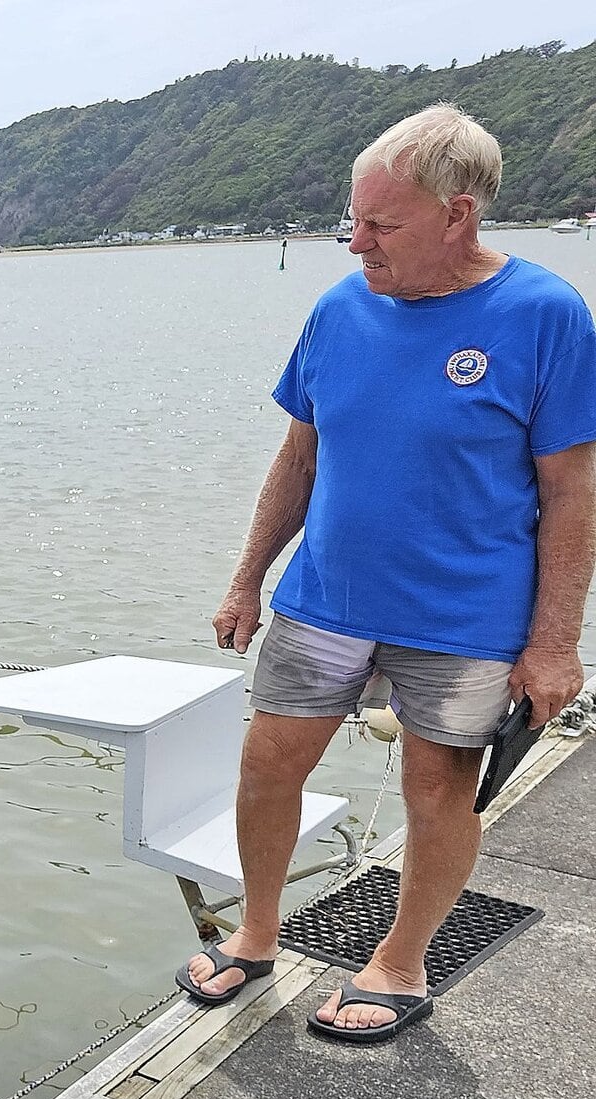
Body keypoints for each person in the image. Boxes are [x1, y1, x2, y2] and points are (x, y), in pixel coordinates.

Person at [178, 104, 596, 1042]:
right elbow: (299, 457)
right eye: (352, 219)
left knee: (437, 785)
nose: (356, 242)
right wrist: (248, 578)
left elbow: (573, 494)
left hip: (467, 613)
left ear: (459, 215)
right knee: (265, 762)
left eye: (381, 224)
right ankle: (255, 931)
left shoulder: (545, 316)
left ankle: (400, 962)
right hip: (326, 595)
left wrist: (554, 643)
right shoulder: (339, 307)